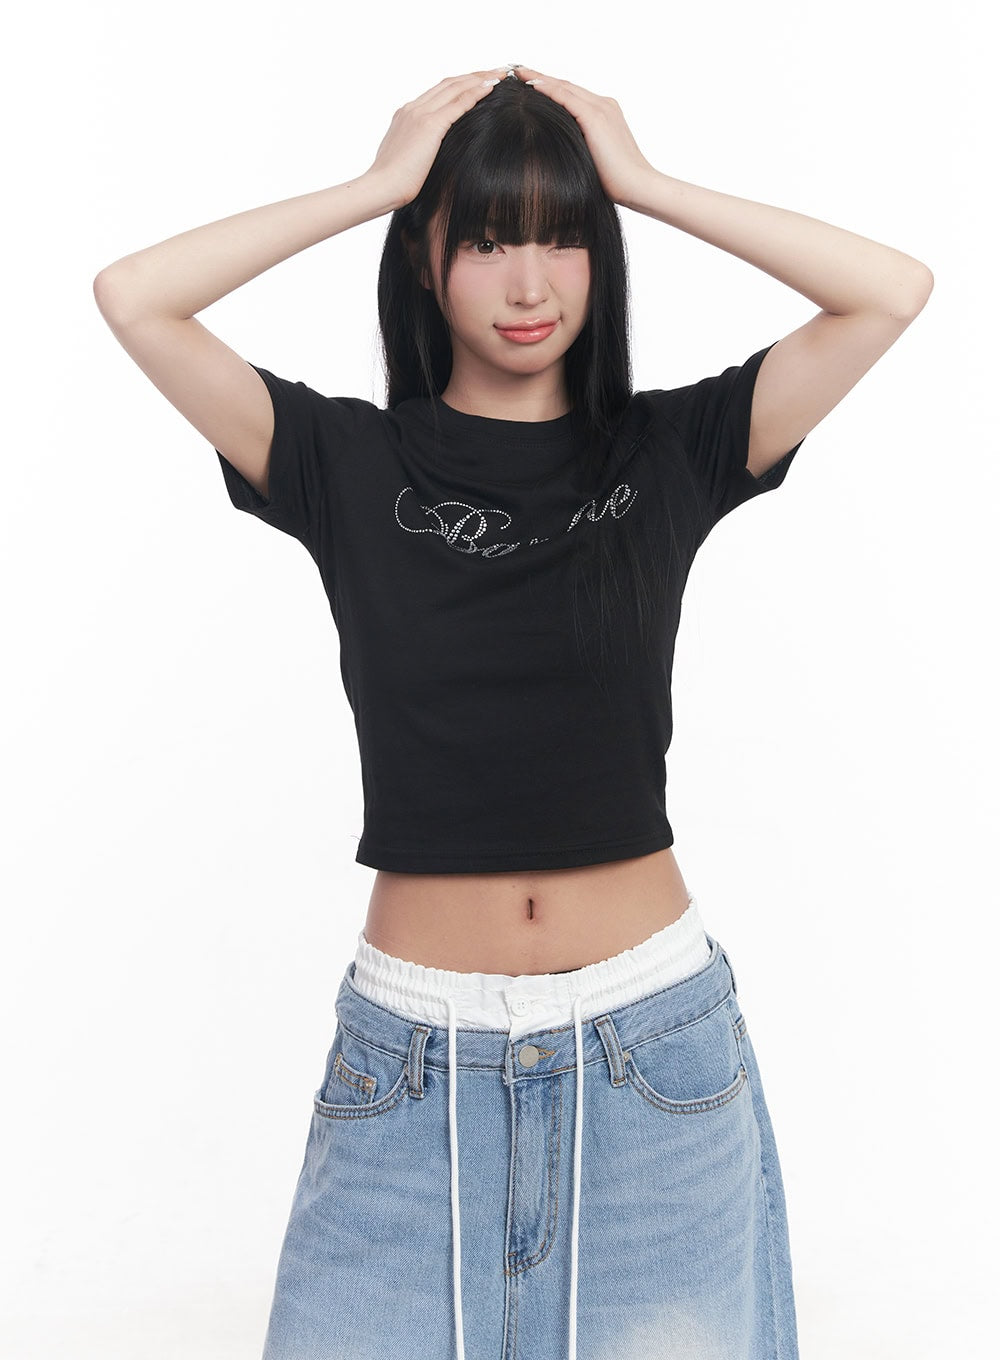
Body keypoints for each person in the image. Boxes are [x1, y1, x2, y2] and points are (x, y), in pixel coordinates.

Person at [94, 64, 933, 1360]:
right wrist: (380, 185)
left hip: (655, 1058)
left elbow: (891, 290)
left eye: (563, 237)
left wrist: (642, 182)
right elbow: (134, 299)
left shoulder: (670, 450)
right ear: (425, 262)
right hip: (408, 1069)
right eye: (486, 241)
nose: (530, 283)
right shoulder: (343, 461)